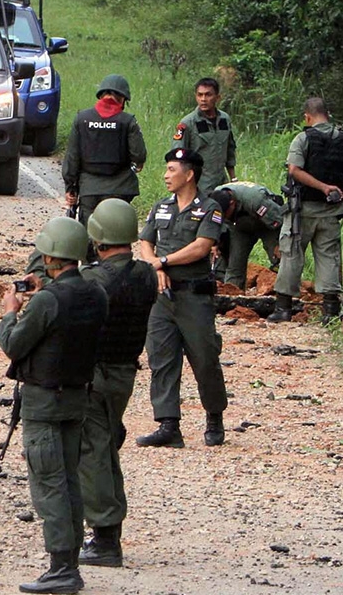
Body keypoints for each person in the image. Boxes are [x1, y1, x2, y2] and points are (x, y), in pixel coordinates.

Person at [0, 217, 107, 594]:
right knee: (70, 480)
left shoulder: (46, 300)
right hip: (77, 397)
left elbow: (14, 344)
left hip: (44, 401)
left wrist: (11, 310)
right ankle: (70, 561)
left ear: (49, 256)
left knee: (48, 483)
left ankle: (61, 567)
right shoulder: (96, 294)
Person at [76, 200, 157, 569]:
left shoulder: (96, 281)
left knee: (93, 450)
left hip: (99, 374)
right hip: (125, 373)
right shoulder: (144, 275)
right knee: (104, 444)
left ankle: (106, 535)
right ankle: (107, 529)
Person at [136, 149, 227, 449]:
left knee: (204, 359)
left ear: (189, 174)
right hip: (162, 296)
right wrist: (154, 264)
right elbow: (145, 242)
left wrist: (162, 262)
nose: (165, 175)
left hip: (194, 297)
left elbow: (201, 247)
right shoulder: (161, 206)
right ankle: (168, 424)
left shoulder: (209, 208)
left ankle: (214, 415)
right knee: (161, 358)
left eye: (172, 169)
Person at [270, 98, 343, 323]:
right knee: (329, 255)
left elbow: (294, 170)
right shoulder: (341, 138)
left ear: (307, 117)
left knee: (291, 253)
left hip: (302, 211)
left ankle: (283, 309)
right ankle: (330, 310)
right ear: (327, 114)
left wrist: (322, 187)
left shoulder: (303, 138)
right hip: (332, 210)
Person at [62, 75, 147, 225]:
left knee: (88, 234)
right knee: (115, 234)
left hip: (89, 189)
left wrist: (71, 187)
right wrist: (135, 167)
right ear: (122, 99)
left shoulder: (82, 119)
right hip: (120, 189)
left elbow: (72, 157)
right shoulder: (128, 121)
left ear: (101, 95)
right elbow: (138, 155)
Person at [207, 183, 283, 290]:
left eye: (225, 214)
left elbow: (280, 221)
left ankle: (286, 294)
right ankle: (233, 298)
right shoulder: (216, 197)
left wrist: (280, 243)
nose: (223, 218)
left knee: (280, 258)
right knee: (235, 264)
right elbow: (213, 223)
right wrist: (215, 243)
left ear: (232, 203)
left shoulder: (255, 199)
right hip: (239, 227)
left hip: (267, 224)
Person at [174, 78, 237, 195]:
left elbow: (230, 150)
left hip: (222, 184)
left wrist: (233, 179)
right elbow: (178, 156)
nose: (203, 99)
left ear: (218, 97)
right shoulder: (187, 123)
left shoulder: (224, 120)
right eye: (200, 95)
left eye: (208, 95)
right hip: (198, 186)